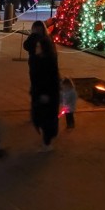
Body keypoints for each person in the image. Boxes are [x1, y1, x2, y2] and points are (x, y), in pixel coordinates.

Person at [23, 20, 60, 150]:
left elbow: (51, 78)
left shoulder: (48, 60)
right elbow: (26, 46)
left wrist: (45, 94)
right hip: (39, 88)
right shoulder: (38, 57)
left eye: (38, 47)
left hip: (46, 92)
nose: (36, 49)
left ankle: (47, 143)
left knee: (46, 118)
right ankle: (46, 139)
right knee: (40, 115)